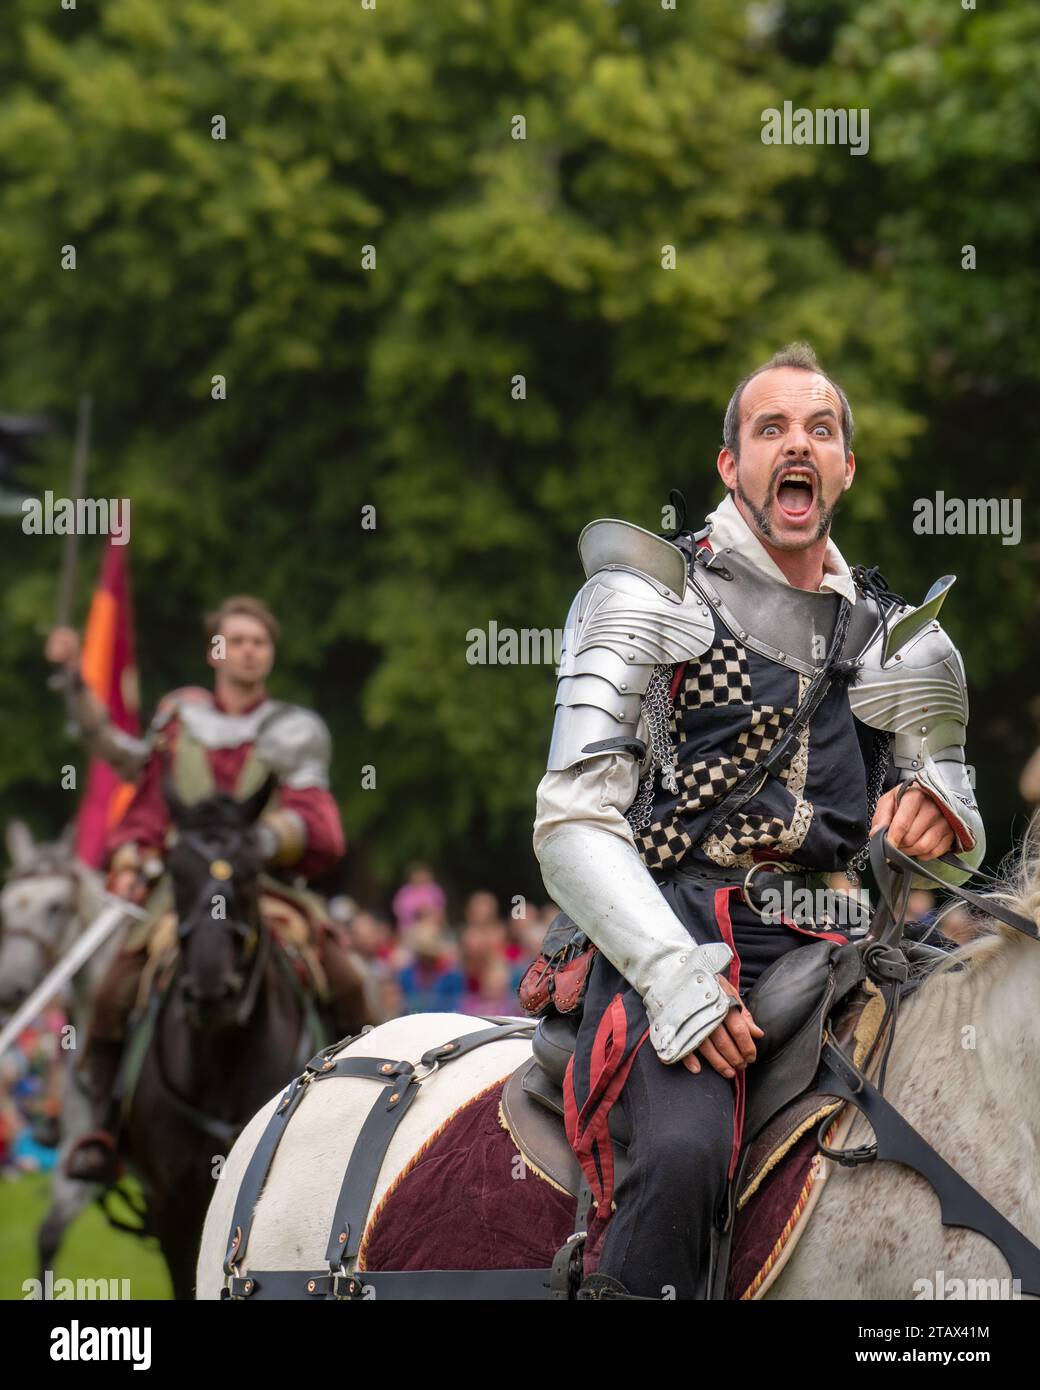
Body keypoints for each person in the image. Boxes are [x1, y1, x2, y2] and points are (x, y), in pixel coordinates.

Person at [533, 343, 985, 1300]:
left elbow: (961, 832)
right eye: (770, 427)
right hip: (685, 935)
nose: (799, 443)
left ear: (845, 468)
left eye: (821, 429)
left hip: (852, 946)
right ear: (731, 465)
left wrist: (940, 819)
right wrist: (673, 981)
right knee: (690, 1153)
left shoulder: (902, 640)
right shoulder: (647, 594)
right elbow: (571, 818)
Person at [45, 595, 366, 1182]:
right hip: (187, 888)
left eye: (259, 642)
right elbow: (142, 797)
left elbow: (317, 819)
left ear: (269, 654)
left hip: (263, 887)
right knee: (118, 984)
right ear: (215, 651)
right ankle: (103, 1127)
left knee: (344, 976)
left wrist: (261, 843)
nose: (248, 651)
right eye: (237, 640)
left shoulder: (293, 730)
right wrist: (133, 853)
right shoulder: (178, 725)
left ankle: (359, 1114)